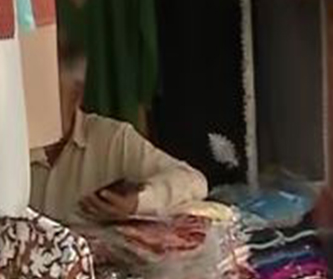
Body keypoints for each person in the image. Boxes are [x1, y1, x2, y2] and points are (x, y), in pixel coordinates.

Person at [29, 41, 208, 222]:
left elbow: (193, 181)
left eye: (48, 92)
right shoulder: (11, 147)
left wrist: (137, 203)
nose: (35, 101)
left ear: (76, 94)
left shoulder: (112, 140)